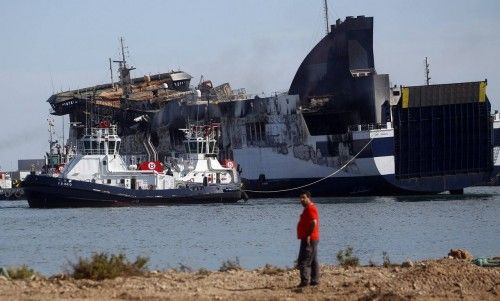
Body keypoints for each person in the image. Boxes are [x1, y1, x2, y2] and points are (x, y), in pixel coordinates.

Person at [296, 190, 320, 287]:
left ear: (308, 198)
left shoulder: (310, 208)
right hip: (312, 238)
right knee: (313, 259)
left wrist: (308, 235)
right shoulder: (308, 208)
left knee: (304, 260)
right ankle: (314, 281)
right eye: (300, 198)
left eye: (304, 198)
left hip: (309, 238)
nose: (301, 200)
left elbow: (314, 222)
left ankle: (304, 282)